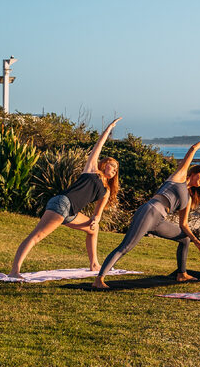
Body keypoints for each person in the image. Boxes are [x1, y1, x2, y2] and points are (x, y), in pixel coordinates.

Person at [92, 133, 200, 288]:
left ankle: (181, 274)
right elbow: (192, 149)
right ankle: (99, 279)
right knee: (126, 247)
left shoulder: (189, 198)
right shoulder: (178, 177)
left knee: (184, 239)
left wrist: (195, 239)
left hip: (159, 220)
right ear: (194, 172)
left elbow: (183, 224)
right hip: (149, 211)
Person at [9, 118, 122, 278]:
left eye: (117, 168)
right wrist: (109, 128)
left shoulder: (106, 191)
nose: (115, 169)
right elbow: (98, 146)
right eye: (112, 165)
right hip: (62, 203)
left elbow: (98, 214)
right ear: (104, 164)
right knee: (37, 236)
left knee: (93, 228)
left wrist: (96, 219)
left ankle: (94, 264)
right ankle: (14, 271)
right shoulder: (92, 170)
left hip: (71, 211)